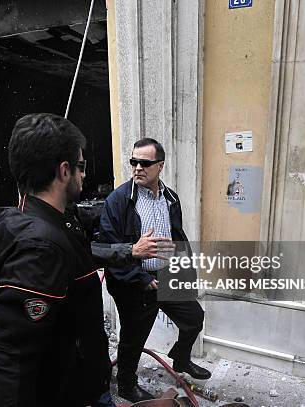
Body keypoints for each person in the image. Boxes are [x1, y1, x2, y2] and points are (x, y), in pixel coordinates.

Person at [0, 114, 172, 407]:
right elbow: (4, 356)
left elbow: (83, 244)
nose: (84, 175)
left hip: (86, 378)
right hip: (68, 390)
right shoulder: (40, 246)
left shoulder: (43, 219)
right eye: (81, 167)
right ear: (64, 170)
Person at [99, 138, 210, 403]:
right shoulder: (119, 200)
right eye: (133, 161)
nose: (137, 167)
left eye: (145, 163)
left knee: (194, 316)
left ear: (160, 166)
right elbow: (109, 247)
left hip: (166, 277)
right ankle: (126, 384)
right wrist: (141, 278)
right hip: (136, 283)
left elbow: (176, 235)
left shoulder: (170, 198)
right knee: (133, 339)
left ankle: (180, 359)